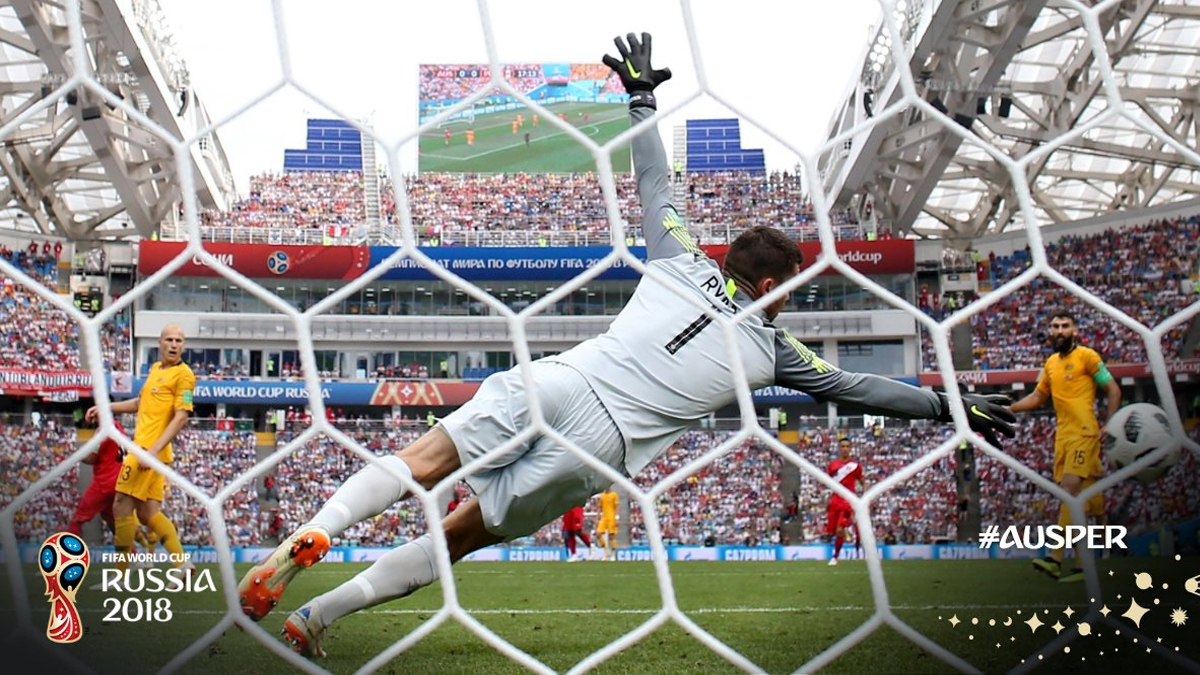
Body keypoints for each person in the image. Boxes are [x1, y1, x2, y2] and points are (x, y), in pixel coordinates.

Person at [239, 32, 1015, 658]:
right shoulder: (776, 350)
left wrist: (641, 95)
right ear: (774, 282)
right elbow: (858, 389)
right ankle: (320, 618)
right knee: (458, 536)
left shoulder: (681, 254)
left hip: (562, 382)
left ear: (728, 258)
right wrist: (943, 402)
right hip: (600, 446)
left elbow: (653, 182)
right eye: (793, 282)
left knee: (420, 462)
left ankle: (320, 530)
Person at [1010, 310, 1121, 583]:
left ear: (1075, 331)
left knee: (1070, 491)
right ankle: (1084, 567)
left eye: (1065, 326)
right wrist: (1008, 408)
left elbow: (1114, 390)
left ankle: (1055, 558)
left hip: (1085, 434)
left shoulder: (1088, 356)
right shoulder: (1050, 363)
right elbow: (1037, 397)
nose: (1059, 330)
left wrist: (1110, 423)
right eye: (1055, 326)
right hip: (1063, 438)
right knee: (1082, 505)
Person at [87, 324, 195, 579]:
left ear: (183, 346)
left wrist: (152, 451)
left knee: (120, 506)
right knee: (148, 514)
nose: (173, 344)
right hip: (150, 451)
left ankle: (120, 576)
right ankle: (182, 565)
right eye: (169, 339)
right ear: (160, 342)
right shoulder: (156, 370)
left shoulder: (185, 376)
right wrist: (108, 407)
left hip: (148, 451)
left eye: (179, 340)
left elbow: (181, 417)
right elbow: (140, 403)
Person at [65, 421, 128, 538]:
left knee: (77, 520)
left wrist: (77, 455)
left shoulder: (102, 430)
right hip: (120, 481)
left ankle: (65, 554)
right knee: (113, 524)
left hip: (104, 483)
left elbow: (91, 458)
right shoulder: (120, 428)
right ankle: (131, 554)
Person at [826, 438, 864, 566]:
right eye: (843, 446)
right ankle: (849, 532)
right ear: (839, 448)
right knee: (832, 531)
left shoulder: (855, 466)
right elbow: (830, 481)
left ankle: (835, 557)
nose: (845, 449)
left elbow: (862, 481)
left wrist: (865, 496)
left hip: (848, 501)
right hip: (835, 500)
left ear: (851, 448)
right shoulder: (832, 465)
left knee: (839, 529)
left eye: (847, 446)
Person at [596, 487, 619, 561]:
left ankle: (613, 555)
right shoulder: (602, 496)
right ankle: (606, 552)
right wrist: (598, 517)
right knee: (598, 534)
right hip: (604, 518)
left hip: (611, 517)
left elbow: (616, 507)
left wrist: (617, 518)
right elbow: (600, 507)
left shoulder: (614, 495)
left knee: (611, 536)